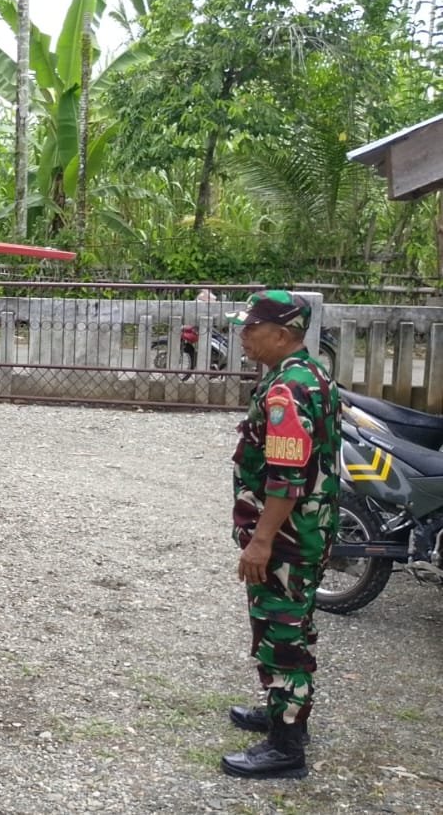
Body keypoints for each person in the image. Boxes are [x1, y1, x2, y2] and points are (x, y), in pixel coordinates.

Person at [220, 291, 338, 779]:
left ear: (283, 334)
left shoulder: (289, 388)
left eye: (252, 328)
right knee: (291, 624)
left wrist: (263, 539)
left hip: (288, 536)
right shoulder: (302, 374)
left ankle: (286, 747)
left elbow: (287, 477)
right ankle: (283, 709)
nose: (243, 336)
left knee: (283, 630)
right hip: (303, 530)